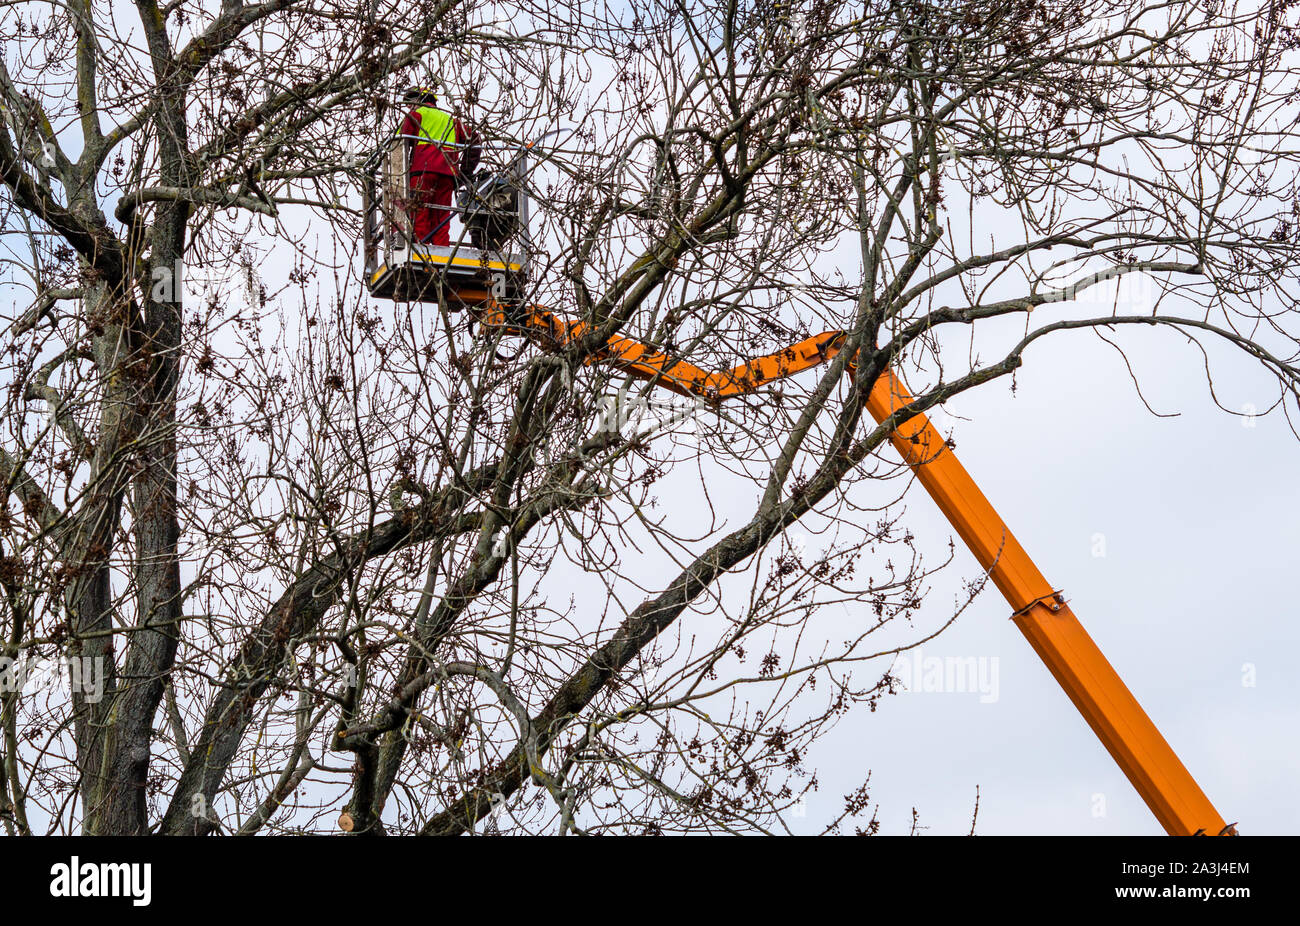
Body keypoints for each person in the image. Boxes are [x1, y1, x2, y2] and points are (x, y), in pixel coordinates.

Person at [399, 87, 480, 247]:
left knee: (419, 212)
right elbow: (474, 139)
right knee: (441, 218)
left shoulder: (416, 115)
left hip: (422, 172)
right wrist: (465, 170)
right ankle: (440, 251)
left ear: (419, 100)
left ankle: (420, 250)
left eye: (410, 103)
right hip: (447, 174)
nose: (409, 107)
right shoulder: (452, 120)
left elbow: (400, 141)